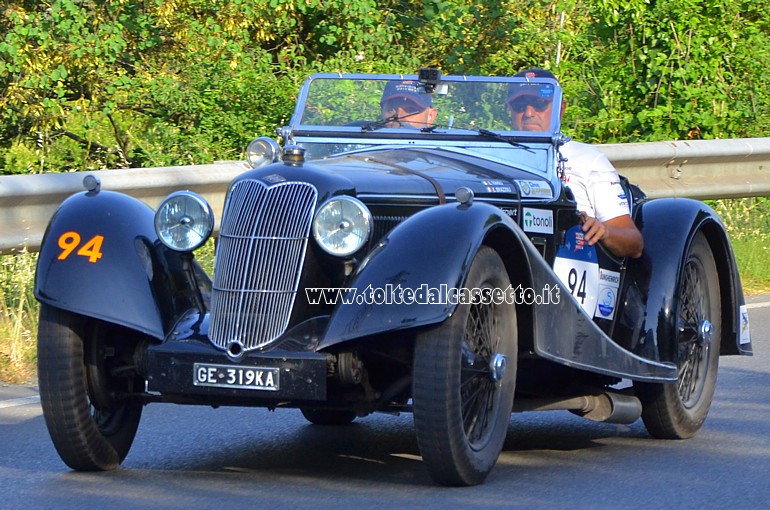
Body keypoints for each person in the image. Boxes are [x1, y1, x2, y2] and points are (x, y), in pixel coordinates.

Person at [508, 68, 644, 259]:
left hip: (573, 258)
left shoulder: (588, 159)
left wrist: (603, 230)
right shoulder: (490, 159)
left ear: (560, 108)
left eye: (539, 104)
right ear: (510, 110)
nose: (529, 112)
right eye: (520, 105)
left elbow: (634, 243)